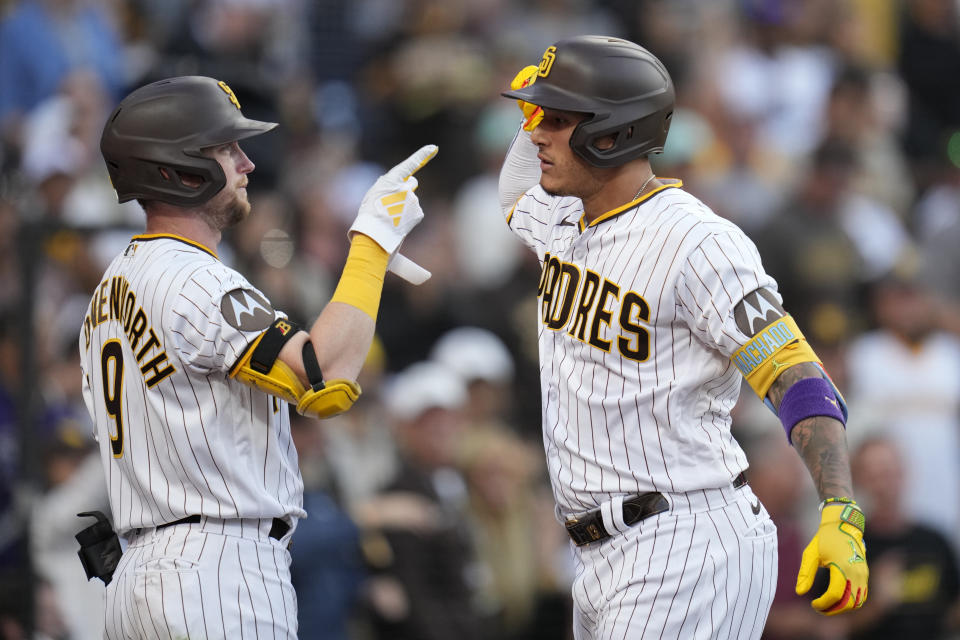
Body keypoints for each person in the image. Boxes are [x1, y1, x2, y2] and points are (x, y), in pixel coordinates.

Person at [497, 35, 868, 639]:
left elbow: (797, 376)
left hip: (685, 541)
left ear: (612, 133)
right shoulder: (565, 215)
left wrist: (839, 506)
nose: (537, 133)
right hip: (599, 554)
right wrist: (536, 111)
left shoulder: (699, 244)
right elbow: (514, 194)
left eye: (557, 121)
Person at [78, 75, 436, 639]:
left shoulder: (107, 291)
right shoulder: (196, 279)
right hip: (217, 570)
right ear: (179, 167)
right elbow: (325, 377)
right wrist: (371, 244)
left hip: (139, 576)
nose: (246, 164)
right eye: (226, 149)